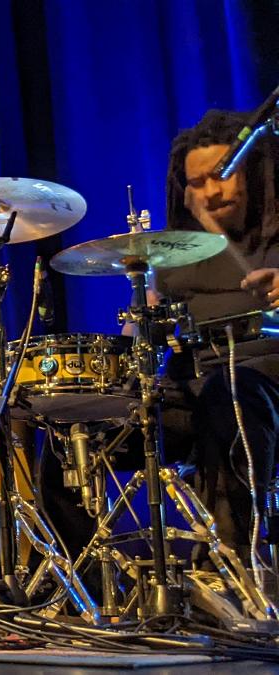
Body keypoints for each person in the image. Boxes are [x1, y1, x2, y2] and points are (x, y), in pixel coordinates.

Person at [150, 109, 279, 562]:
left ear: (255, 171)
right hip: (193, 390)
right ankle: (73, 588)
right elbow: (139, 337)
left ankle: (232, 565)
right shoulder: (171, 262)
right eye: (197, 183)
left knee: (231, 395)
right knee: (71, 421)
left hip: (261, 388)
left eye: (221, 176)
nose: (211, 191)